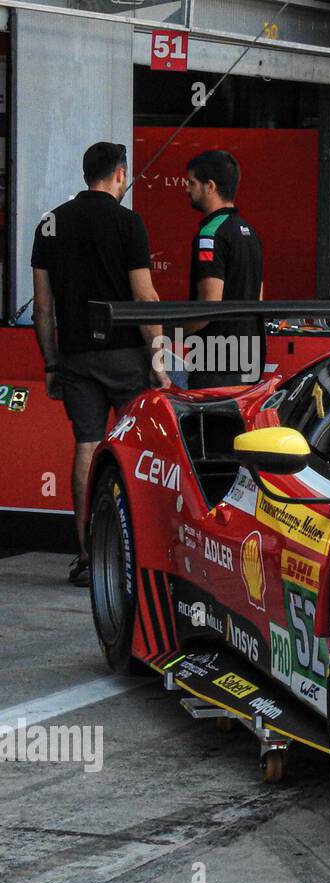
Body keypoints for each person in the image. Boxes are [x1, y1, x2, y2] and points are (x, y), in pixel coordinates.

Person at [31, 142, 170, 586]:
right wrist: (159, 359)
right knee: (132, 450)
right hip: (126, 357)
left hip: (75, 356)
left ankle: (89, 556)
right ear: (120, 174)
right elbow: (143, 297)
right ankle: (135, 554)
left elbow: (42, 307)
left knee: (87, 446)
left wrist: (51, 363)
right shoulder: (129, 223)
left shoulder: (50, 223)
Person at [182, 150, 264, 388]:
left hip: (215, 362)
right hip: (250, 358)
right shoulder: (250, 233)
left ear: (210, 186)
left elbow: (209, 304)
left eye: (191, 183)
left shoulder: (210, 235)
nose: (187, 189)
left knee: (209, 426)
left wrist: (171, 333)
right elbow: (259, 297)